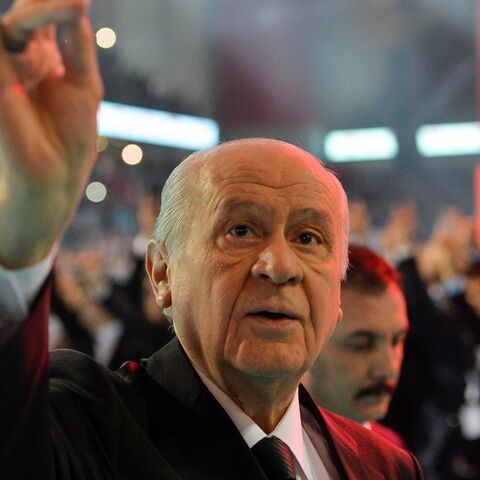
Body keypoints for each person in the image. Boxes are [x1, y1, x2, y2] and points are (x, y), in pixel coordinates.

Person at [0, 1, 424, 478]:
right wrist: (19, 252)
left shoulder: (390, 467)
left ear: (338, 290)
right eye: (240, 230)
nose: (280, 265)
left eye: (308, 237)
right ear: (162, 273)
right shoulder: (83, 424)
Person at [303, 244, 409, 448]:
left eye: (397, 340)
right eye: (362, 345)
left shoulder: (393, 452)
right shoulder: (269, 459)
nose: (387, 370)